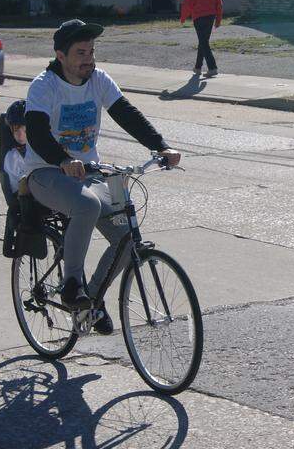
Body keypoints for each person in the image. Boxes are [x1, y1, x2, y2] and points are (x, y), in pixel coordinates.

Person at [24, 19, 182, 333]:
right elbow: (36, 132)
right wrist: (63, 159)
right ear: (61, 55)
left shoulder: (98, 80)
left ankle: (91, 299)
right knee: (88, 206)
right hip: (46, 173)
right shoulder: (45, 85)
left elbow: (126, 113)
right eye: (80, 52)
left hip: (88, 173)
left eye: (92, 52)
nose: (88, 59)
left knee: (126, 236)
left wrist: (160, 146)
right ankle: (72, 286)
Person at [179, 0, 222, 77]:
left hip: (199, 18)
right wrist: (218, 20)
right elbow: (219, 3)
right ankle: (198, 68)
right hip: (210, 17)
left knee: (203, 42)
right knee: (203, 41)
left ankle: (213, 68)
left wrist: (183, 18)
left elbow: (187, 4)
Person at [2, 99, 28, 193]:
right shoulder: (12, 157)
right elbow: (15, 190)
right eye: (16, 130)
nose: (20, 136)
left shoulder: (46, 150)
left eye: (25, 131)